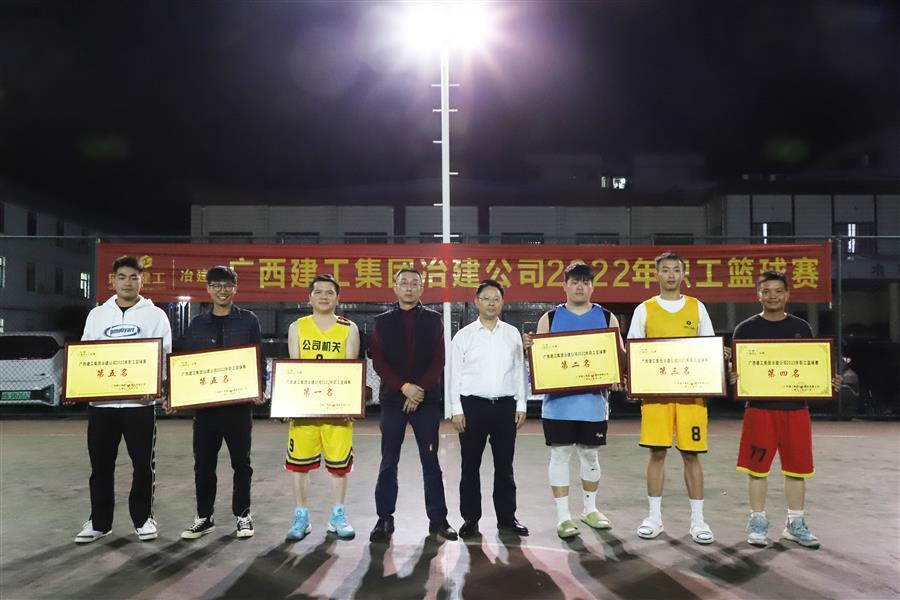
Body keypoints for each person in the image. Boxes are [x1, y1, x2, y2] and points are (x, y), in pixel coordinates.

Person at [731, 270, 842, 548]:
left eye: (778, 291)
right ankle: (758, 522)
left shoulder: (802, 327)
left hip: (796, 410)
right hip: (759, 410)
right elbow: (737, 371)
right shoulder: (745, 329)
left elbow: (812, 366)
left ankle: (795, 524)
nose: (773, 296)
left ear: (787, 294)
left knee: (797, 469)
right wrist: (732, 377)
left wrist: (827, 381)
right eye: (766, 291)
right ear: (758, 295)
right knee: (757, 470)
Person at [74, 255, 172, 544]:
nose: (127, 282)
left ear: (142, 281)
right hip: (101, 405)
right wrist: (79, 386)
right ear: (112, 281)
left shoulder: (155, 316)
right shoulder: (97, 315)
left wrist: (156, 385)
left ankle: (143, 519)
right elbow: (85, 354)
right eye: (122, 277)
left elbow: (164, 355)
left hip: (139, 405)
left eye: (133, 277)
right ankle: (99, 522)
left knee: (142, 465)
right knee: (100, 466)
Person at [524, 262, 625, 540]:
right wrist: (529, 349)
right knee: (560, 455)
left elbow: (619, 357)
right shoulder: (549, 318)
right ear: (565, 286)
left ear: (592, 287)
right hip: (558, 406)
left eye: (585, 282)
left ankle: (590, 510)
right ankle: (563, 516)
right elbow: (539, 360)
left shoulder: (607, 318)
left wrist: (619, 372)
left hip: (593, 406)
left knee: (590, 455)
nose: (580, 286)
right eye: (575, 281)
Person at [627, 251, 722, 544]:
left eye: (675, 270)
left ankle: (698, 521)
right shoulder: (644, 309)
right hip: (657, 396)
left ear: (683, 274)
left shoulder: (697, 307)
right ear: (656, 274)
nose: (670, 275)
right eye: (665, 270)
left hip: (691, 396)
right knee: (657, 453)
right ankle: (654, 518)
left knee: (691, 455)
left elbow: (708, 349)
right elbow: (634, 350)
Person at [369, 268, 457, 542]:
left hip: (426, 402)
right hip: (393, 401)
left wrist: (418, 390)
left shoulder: (434, 320)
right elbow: (379, 361)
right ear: (395, 288)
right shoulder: (382, 322)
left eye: (414, 283)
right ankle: (384, 518)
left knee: (430, 461)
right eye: (404, 283)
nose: (409, 287)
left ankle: (439, 520)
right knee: (389, 461)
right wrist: (404, 387)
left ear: (421, 288)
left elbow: (439, 359)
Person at [177, 266, 265, 540]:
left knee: (241, 463)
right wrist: (177, 393)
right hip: (206, 409)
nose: (222, 291)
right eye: (216, 285)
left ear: (235, 288)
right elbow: (187, 362)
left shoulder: (248, 320)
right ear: (208, 289)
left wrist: (259, 388)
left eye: (227, 285)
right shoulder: (197, 324)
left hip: (238, 407)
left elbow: (257, 357)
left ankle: (243, 515)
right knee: (204, 464)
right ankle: (204, 517)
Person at [450, 279, 529, 539]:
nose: (491, 303)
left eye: (496, 299)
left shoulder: (512, 334)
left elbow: (518, 371)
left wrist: (521, 403)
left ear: (502, 302)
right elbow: (454, 374)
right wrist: (456, 409)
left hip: (505, 407)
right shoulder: (464, 336)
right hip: (472, 407)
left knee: (505, 466)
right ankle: (470, 519)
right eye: (486, 298)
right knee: (470, 466)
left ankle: (507, 518)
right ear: (476, 302)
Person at [285, 274, 361, 541]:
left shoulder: (349, 328)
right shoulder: (297, 327)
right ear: (309, 297)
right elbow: (294, 369)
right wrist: (290, 403)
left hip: (336, 411)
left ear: (338, 298)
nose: (324, 296)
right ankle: (301, 516)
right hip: (305, 409)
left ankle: (337, 515)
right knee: (299, 466)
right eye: (318, 292)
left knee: (339, 467)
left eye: (330, 292)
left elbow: (350, 369)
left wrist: (350, 402)